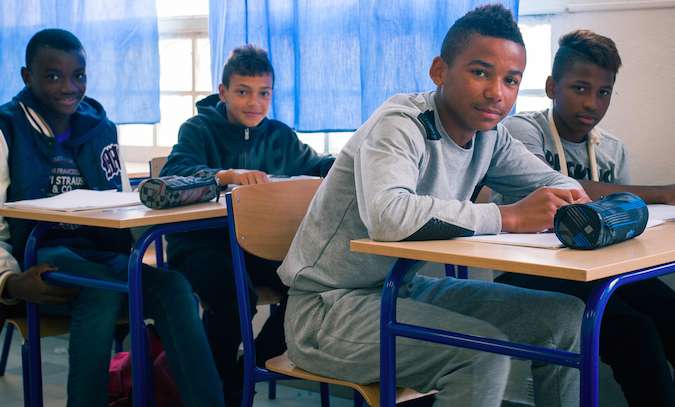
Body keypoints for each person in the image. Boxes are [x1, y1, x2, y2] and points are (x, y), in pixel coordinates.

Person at [277, 5, 590, 407]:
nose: (497, 92)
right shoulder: (400, 123)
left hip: (402, 288)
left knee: (564, 318)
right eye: (480, 72)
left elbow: (559, 183)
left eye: (511, 80)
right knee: (481, 353)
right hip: (327, 310)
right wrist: (507, 216)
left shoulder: (490, 136)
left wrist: (570, 203)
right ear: (440, 71)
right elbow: (388, 216)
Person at [0, 28, 224, 406]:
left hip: (101, 254)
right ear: (27, 77)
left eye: (79, 75)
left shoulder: (101, 128)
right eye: (53, 76)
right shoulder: (8, 128)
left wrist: (156, 213)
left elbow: (121, 206)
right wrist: (8, 281)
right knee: (100, 289)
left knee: (174, 288)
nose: (68, 87)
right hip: (40, 259)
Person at [494, 30, 675, 407]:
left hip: (594, 268)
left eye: (603, 92)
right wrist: (664, 193)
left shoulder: (611, 149)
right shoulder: (521, 131)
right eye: (579, 88)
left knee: (669, 311)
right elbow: (559, 189)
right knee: (635, 332)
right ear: (551, 87)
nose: (591, 102)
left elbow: (620, 219)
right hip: (530, 270)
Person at [160, 45, 334, 405]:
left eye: (263, 93)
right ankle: (217, 392)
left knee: (311, 287)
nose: (254, 102)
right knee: (233, 298)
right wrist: (226, 175)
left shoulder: (279, 135)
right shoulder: (197, 129)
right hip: (200, 246)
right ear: (223, 92)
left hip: (257, 246)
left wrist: (353, 160)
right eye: (242, 92)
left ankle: (245, 371)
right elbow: (173, 173)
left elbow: (317, 165)